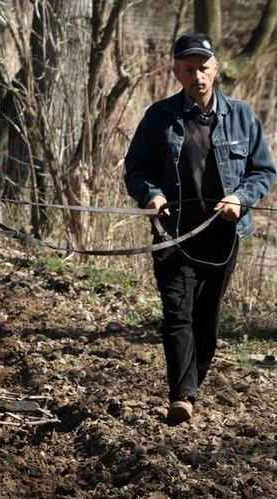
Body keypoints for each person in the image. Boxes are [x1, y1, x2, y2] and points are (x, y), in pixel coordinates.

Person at [124, 33, 275, 425]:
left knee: (207, 319)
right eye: (189, 69)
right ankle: (183, 395)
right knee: (177, 313)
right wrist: (151, 196)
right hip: (172, 234)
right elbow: (136, 170)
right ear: (177, 72)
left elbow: (263, 171)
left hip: (224, 235)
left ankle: (192, 384)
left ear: (216, 69)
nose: (198, 75)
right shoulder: (158, 117)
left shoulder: (241, 116)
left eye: (204, 67)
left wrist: (241, 198)